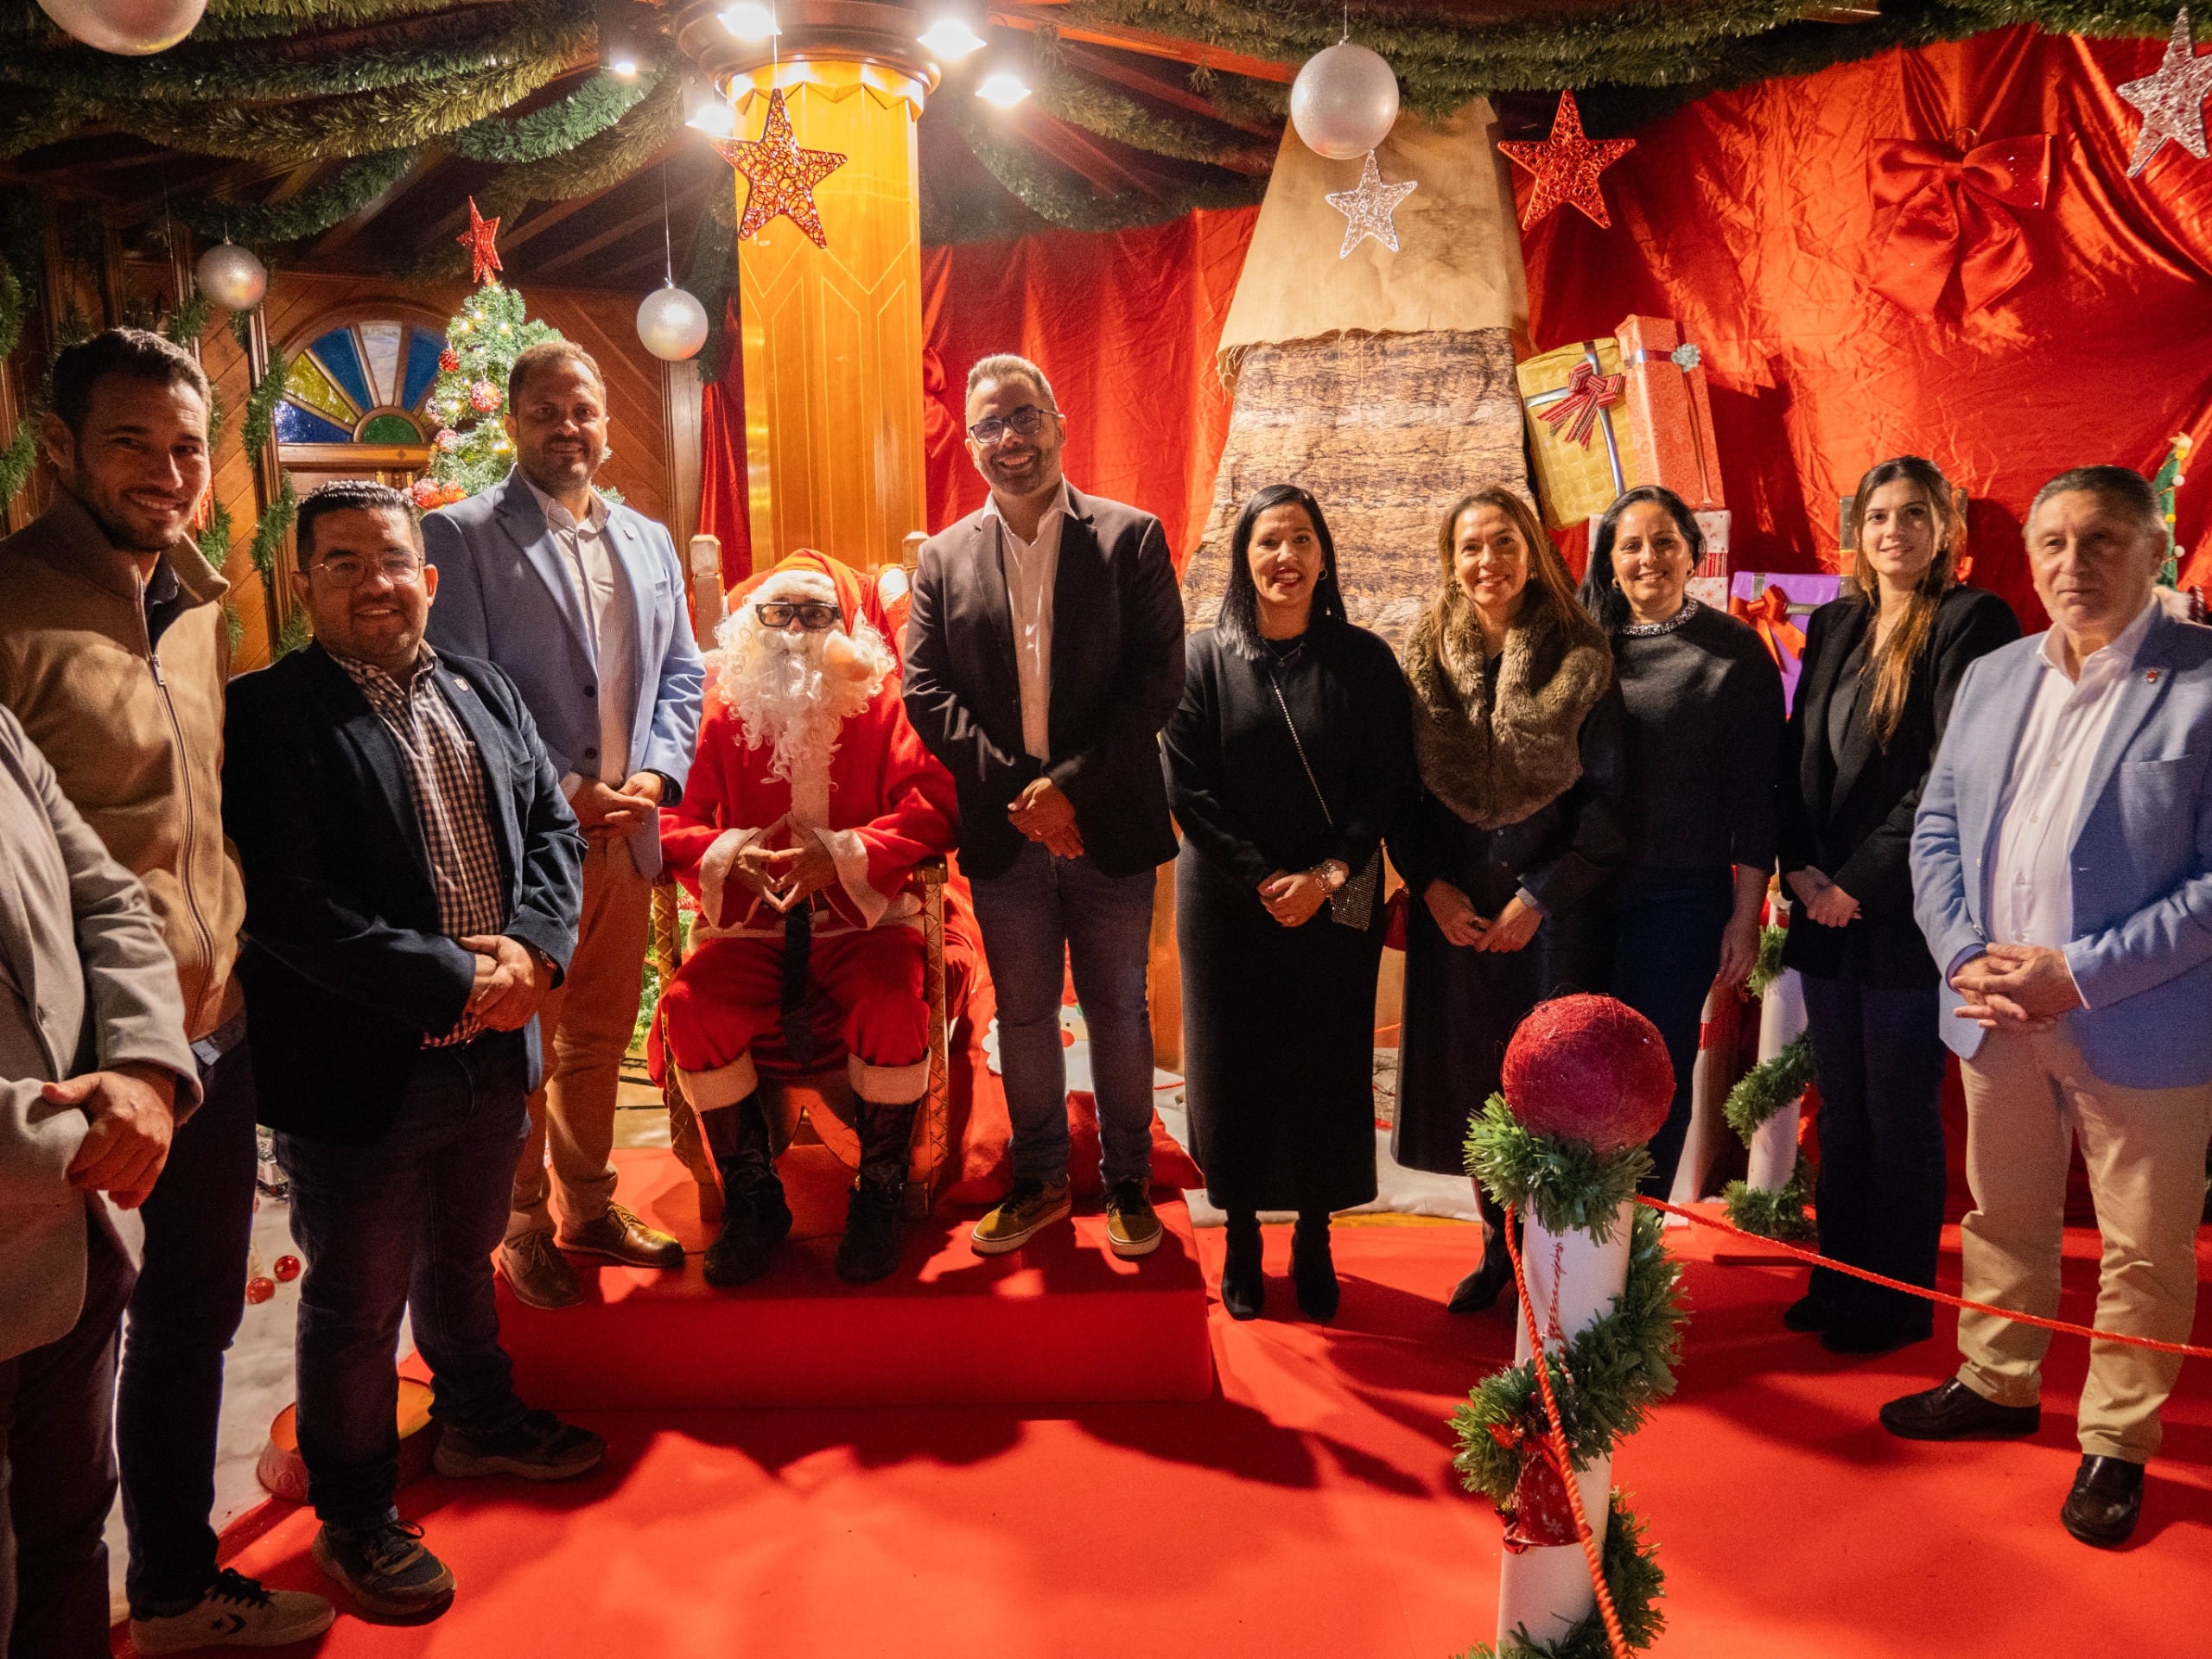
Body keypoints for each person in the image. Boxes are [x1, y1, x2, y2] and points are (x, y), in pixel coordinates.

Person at [0, 327, 334, 1650]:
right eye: (131, 441)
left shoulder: (195, 600)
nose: (167, 470)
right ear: (63, 446)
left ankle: (180, 1585)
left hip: (210, 1026)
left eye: (188, 446)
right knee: (67, 1368)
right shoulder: (12, 611)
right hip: (82, 1078)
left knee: (191, 1316)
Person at [223, 482, 597, 1623]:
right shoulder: (269, 713)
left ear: (427, 576)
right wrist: (456, 980)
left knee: (466, 1255)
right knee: (354, 1298)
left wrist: (534, 957)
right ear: (303, 582)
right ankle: (354, 1514)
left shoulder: (485, 689)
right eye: (342, 563)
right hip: (364, 1062)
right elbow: (285, 905)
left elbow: (551, 829)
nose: (374, 583)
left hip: (494, 1050)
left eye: (392, 561)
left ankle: (480, 1421)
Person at [1893, 464, 2212, 1549]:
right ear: (2025, 557)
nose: (2074, 565)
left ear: (2157, 548)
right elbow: (1936, 829)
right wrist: (1962, 954)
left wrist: (2075, 973)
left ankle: (2117, 1442)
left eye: (2104, 541)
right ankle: (1998, 1378)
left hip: (2144, 1017)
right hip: (1992, 1011)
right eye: (2054, 544)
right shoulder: (1989, 676)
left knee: (2141, 1247)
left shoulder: (2207, 680)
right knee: (2004, 1209)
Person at [422, 339, 705, 1312]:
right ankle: (521, 1225)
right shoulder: (459, 537)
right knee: (524, 1049)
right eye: (545, 409)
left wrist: (658, 777)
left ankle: (590, 1205)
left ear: (605, 421)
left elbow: (683, 673)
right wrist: (562, 791)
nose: (567, 425)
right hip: (523, 852)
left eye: (582, 409)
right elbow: (459, 694)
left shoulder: (650, 539)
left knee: (597, 1033)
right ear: (512, 421)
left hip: (628, 836)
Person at [904, 353, 1185, 1261]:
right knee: (1021, 1014)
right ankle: (1036, 1181)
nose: (1008, 439)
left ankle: (1128, 1183)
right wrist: (1019, 797)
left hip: (1108, 821)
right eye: (988, 425)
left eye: (1023, 417)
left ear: (1058, 421)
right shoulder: (943, 557)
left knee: (1118, 1010)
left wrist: (1066, 788)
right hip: (1002, 830)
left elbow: (1157, 683)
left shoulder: (1130, 537)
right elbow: (924, 687)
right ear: (972, 442)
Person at [658, 552, 957, 1286]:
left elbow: (933, 807)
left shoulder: (886, 701)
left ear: (845, 625)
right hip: (750, 924)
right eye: (779, 613)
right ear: (751, 623)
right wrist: (730, 856)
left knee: (893, 1005)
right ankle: (753, 1195)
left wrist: (847, 856)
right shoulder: (717, 706)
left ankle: (879, 1189)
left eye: (816, 614)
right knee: (692, 1008)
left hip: (867, 921)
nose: (795, 631)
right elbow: (669, 816)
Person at [1777, 456, 2018, 1355]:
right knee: (1839, 1107)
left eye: (1913, 515)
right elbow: (1798, 758)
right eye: (1878, 516)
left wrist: (1858, 884)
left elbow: (1950, 770)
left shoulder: (1973, 621)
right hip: (1824, 908)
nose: (1894, 532)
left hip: (1906, 913)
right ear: (1858, 531)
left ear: (1943, 530)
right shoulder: (1837, 621)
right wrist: (1798, 870)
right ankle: (1839, 1280)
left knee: (1898, 1111)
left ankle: (1894, 1300)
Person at [1162, 486, 1414, 1321]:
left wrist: (1329, 877)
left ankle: (1314, 1233)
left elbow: (1387, 786)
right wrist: (1266, 878)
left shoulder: (1365, 662)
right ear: (1244, 558)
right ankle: (1238, 1231)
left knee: (1323, 1064)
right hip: (1228, 899)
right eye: (1269, 542)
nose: (1286, 558)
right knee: (1231, 1065)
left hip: (1338, 898)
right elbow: (1187, 785)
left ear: (1323, 556)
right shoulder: (1202, 659)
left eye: (1302, 540)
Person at [0, 704, 206, 1659]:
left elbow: (111, 903)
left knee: (66, 1557)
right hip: (56, 1177)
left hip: (70, 1256)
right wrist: (77, 1138)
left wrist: (146, 1070)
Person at [1394, 486, 1625, 1313]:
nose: (1486, 562)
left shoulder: (1581, 655)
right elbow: (1402, 801)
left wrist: (1539, 897)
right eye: (1469, 548)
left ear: (1531, 552)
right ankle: (1497, 1250)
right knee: (1476, 1086)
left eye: (1502, 544)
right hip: (1457, 912)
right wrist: (1432, 888)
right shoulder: (1421, 659)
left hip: (1552, 917)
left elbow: (1608, 809)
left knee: (1547, 1091)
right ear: (1451, 563)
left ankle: (1555, 1262)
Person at [1578, 486, 1783, 1198]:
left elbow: (1761, 800)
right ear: (1608, 561)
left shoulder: (1735, 653)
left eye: (1664, 541)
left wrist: (1744, 918)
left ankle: (1634, 1248)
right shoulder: (1581, 643)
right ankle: (1553, 1248)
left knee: (1647, 1071)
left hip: (1681, 900)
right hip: (1579, 894)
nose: (1648, 558)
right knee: (1570, 1066)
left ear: (1692, 554)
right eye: (1630, 544)